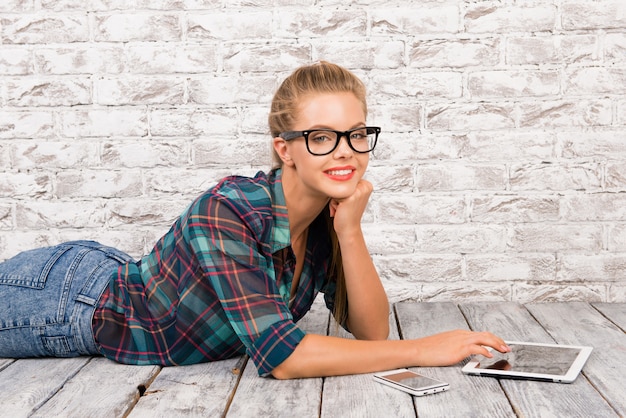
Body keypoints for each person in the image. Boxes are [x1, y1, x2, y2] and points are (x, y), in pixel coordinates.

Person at [0, 61, 510, 379]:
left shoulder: (325, 216)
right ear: (284, 149)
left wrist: (349, 230)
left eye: (356, 134)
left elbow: (372, 333)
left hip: (113, 272)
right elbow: (283, 358)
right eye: (322, 136)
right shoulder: (230, 210)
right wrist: (423, 350)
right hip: (70, 302)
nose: (345, 151)